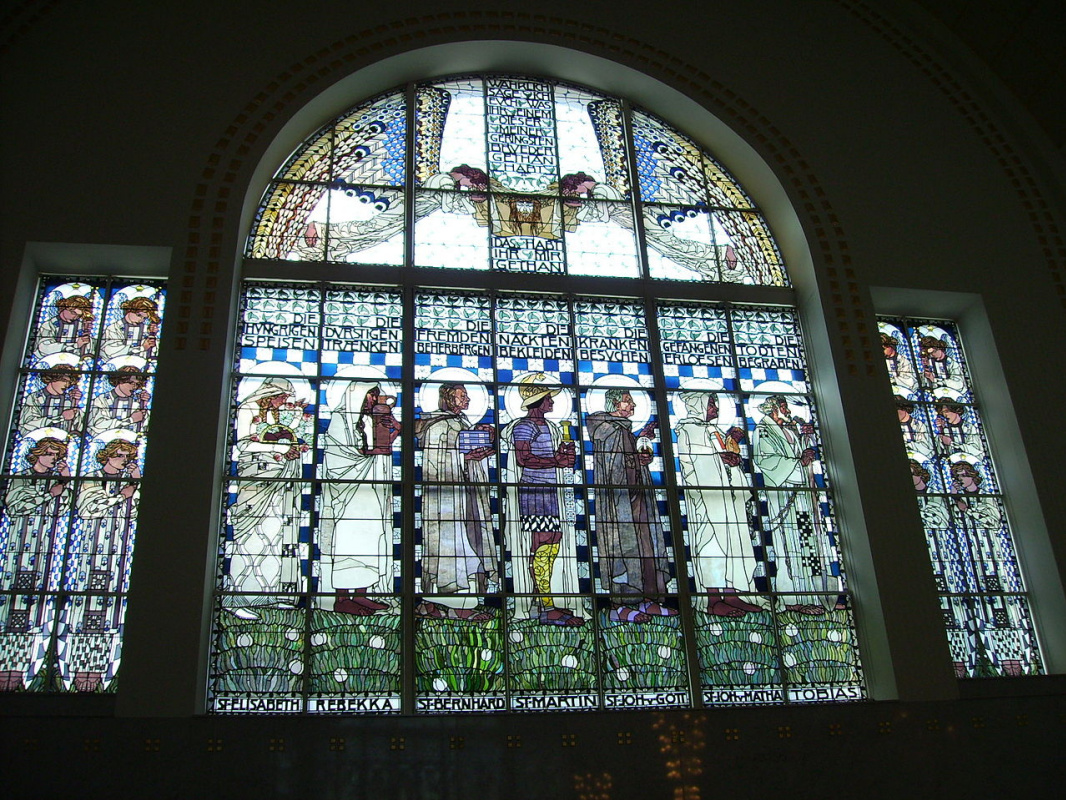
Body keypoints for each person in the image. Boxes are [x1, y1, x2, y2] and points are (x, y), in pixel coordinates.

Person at [586, 388, 674, 623]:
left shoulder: (623, 430)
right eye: (628, 401)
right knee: (621, 549)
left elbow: (628, 457)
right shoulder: (606, 429)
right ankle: (621, 605)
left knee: (647, 546)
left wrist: (641, 453)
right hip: (618, 502)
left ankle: (648, 599)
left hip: (638, 495)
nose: (633, 406)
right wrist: (636, 458)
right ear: (615, 404)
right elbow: (614, 464)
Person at [62, 437, 141, 692]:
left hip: (119, 551)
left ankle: (99, 669)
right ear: (106, 456)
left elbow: (141, 508)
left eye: (128, 458)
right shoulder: (91, 479)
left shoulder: (129, 482)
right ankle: (76, 668)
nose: (124, 462)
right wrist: (122, 495)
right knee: (85, 610)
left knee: (108, 613)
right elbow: (87, 508)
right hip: (89, 552)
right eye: (120, 456)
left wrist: (136, 486)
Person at [502, 374, 582, 626]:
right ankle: (545, 607)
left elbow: (549, 456)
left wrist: (563, 455)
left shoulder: (551, 427)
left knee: (553, 541)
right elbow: (523, 459)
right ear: (538, 401)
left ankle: (544, 600)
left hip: (551, 489)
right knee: (542, 541)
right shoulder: (524, 427)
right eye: (548, 399)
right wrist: (555, 461)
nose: (552, 403)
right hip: (534, 491)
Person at [413, 382, 496, 620]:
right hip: (445, 503)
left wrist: (475, 454)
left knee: (468, 545)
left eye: (468, 396)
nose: (467, 401)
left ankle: (440, 605)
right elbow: (439, 461)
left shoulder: (461, 423)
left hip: (465, 498)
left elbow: (462, 452)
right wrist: (466, 455)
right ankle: (456, 606)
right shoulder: (437, 426)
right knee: (451, 550)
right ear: (449, 399)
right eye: (463, 396)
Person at [675, 391, 761, 617]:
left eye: (716, 404)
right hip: (706, 499)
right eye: (711, 404)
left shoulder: (715, 431)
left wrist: (733, 457)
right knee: (711, 546)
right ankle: (713, 599)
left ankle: (732, 595)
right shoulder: (687, 430)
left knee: (733, 544)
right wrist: (718, 458)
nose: (716, 408)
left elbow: (725, 455)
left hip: (728, 498)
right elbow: (689, 460)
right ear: (699, 405)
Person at [226, 378, 311, 604]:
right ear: (269, 393)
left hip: (278, 478)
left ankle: (273, 593)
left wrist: (291, 448)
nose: (284, 402)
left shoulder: (274, 413)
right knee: (251, 534)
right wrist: (281, 447)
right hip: (255, 478)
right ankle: (240, 597)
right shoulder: (247, 408)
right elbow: (244, 444)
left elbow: (281, 437)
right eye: (282, 397)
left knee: (275, 533)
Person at [752, 395, 837, 615]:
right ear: (773, 410)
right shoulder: (763, 431)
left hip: (804, 499)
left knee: (810, 547)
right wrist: (799, 464)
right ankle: (794, 599)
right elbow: (765, 460)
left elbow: (805, 456)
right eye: (782, 407)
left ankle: (816, 595)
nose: (787, 410)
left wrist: (808, 436)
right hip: (785, 497)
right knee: (791, 549)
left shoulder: (791, 428)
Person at [319, 382, 398, 615]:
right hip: (345, 497)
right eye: (370, 396)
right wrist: (372, 453)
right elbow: (339, 457)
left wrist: (393, 429)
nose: (373, 401)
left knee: (370, 540)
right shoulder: (339, 420)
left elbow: (380, 448)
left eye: (375, 397)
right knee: (346, 545)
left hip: (367, 493)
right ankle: (342, 599)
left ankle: (362, 594)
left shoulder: (364, 421)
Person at [3, 437, 72, 594]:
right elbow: (15, 508)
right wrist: (49, 495)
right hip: (18, 539)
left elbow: (61, 509)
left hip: (45, 540)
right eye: (49, 454)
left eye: (57, 455)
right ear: (37, 454)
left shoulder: (56, 481)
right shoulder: (21, 477)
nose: (53, 459)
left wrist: (66, 482)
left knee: (39, 579)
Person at [18, 363, 83, 434]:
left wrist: (75, 405)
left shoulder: (69, 399)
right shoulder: (35, 397)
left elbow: (79, 428)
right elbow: (27, 423)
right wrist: (60, 418)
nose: (67, 385)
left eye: (69, 382)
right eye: (64, 380)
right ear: (52, 378)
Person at [87, 366, 151, 437]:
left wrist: (144, 407)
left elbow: (145, 428)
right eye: (131, 383)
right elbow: (98, 424)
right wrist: (130, 420)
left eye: (137, 384)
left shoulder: (137, 402)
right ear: (120, 381)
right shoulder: (102, 400)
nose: (134, 387)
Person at [33, 294, 94, 361]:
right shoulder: (48, 325)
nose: (75, 317)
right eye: (73, 313)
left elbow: (87, 351)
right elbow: (44, 347)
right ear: (64, 308)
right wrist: (74, 345)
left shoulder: (81, 326)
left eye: (78, 315)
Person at [99, 297, 161, 362]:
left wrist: (153, 336)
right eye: (139, 315)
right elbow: (110, 351)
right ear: (129, 310)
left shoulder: (146, 329)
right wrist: (141, 348)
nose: (141, 320)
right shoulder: (114, 328)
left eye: (144, 318)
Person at [881, 332, 917, 397]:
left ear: (890, 346)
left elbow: (910, 382)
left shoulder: (904, 361)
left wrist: (894, 380)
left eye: (883, 349)